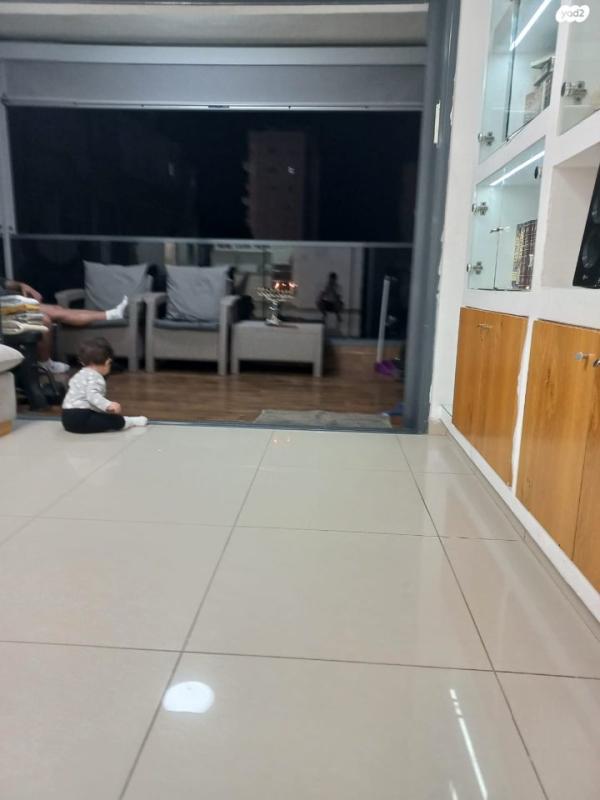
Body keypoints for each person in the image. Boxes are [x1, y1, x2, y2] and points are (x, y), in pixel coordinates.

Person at [2, 278, 129, 374]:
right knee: (44, 319)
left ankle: (112, 314)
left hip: (10, 305)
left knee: (56, 309)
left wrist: (22, 285)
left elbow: (5, 283)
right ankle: (45, 364)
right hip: (5, 311)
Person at [62, 337, 147, 434]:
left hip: (66, 418)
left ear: (82, 362)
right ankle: (129, 421)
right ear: (107, 362)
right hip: (82, 418)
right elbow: (92, 395)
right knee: (115, 420)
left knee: (101, 416)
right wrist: (108, 404)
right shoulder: (96, 377)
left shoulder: (79, 374)